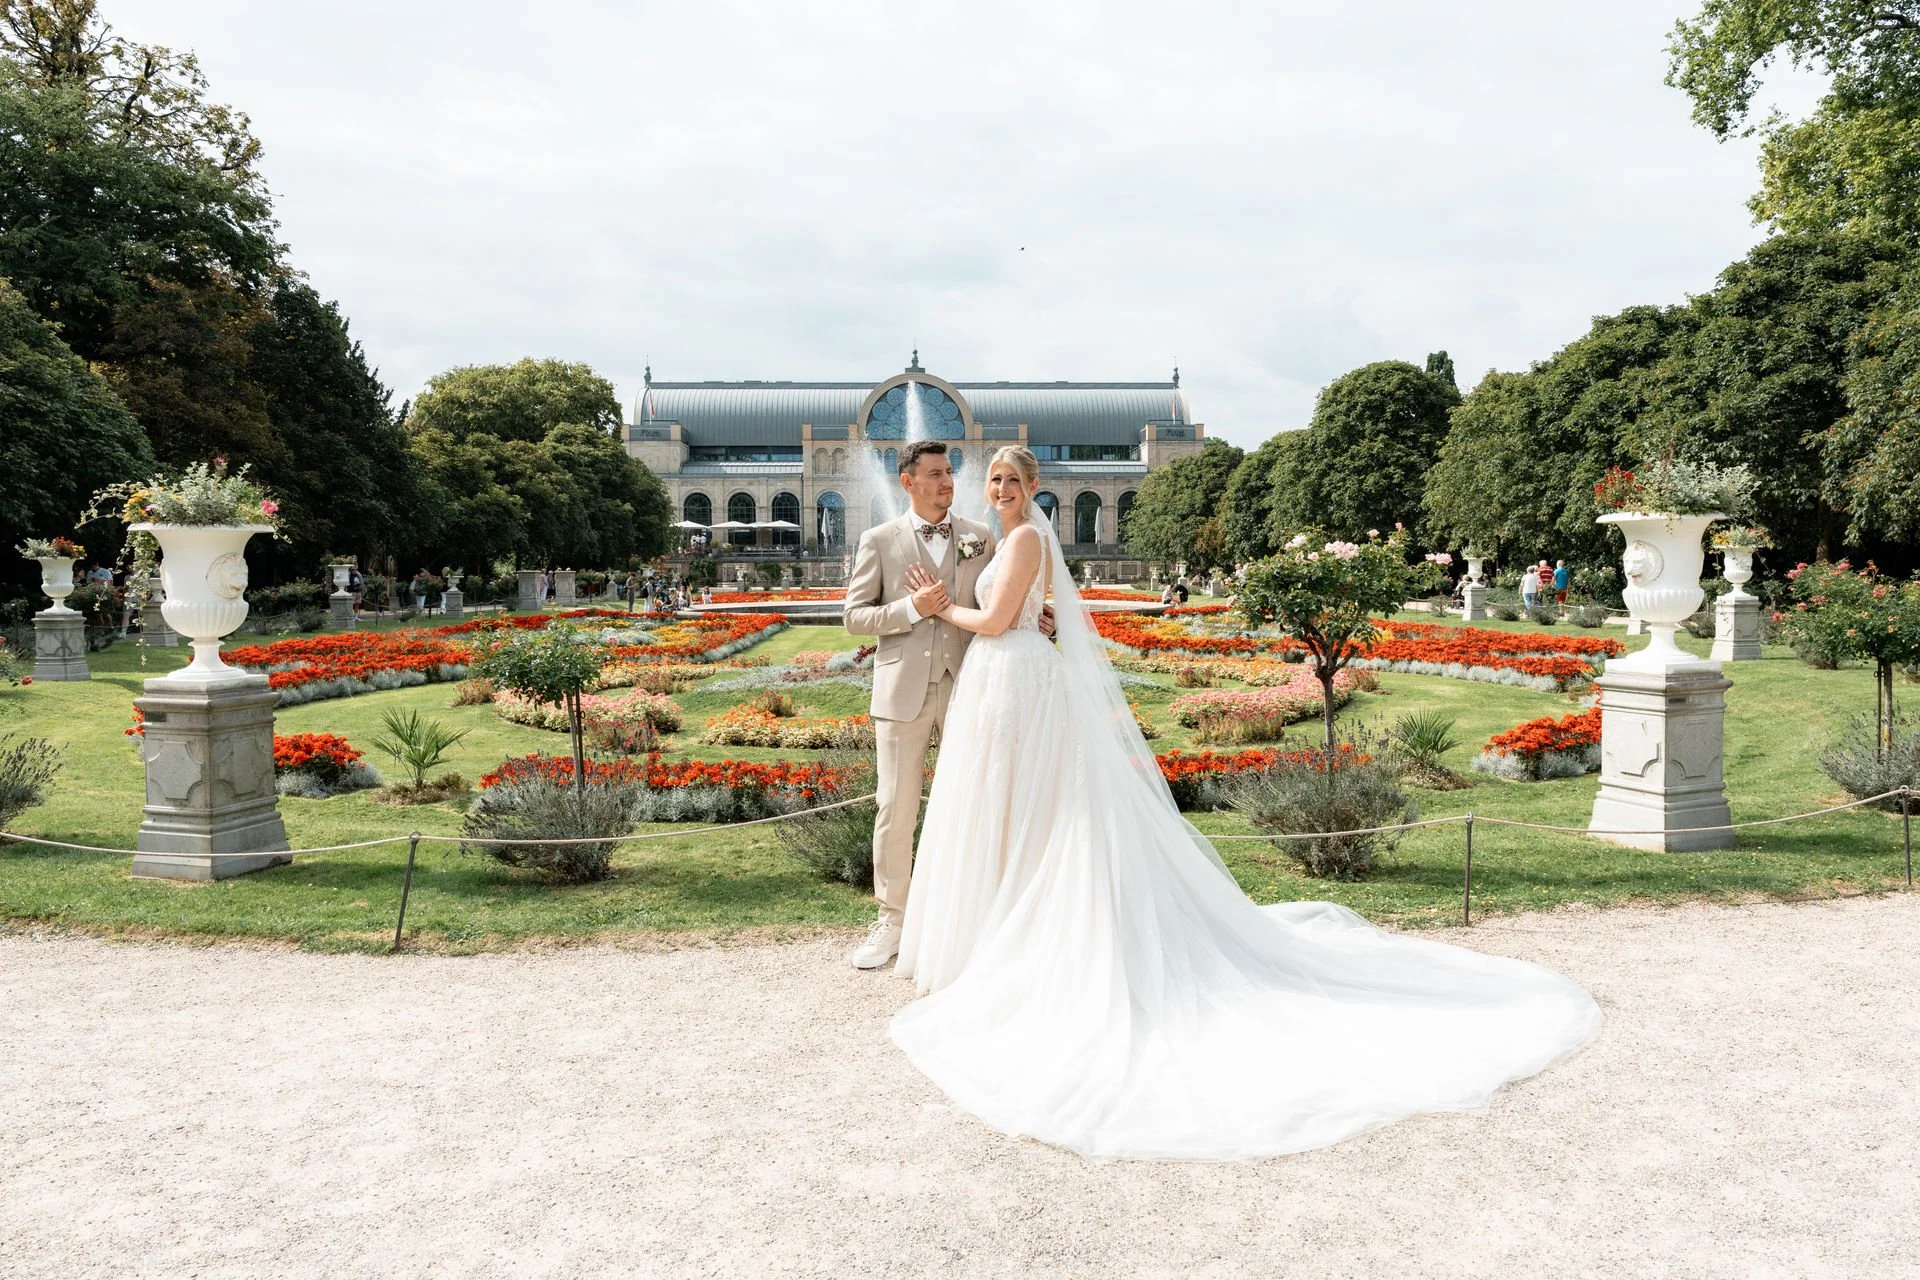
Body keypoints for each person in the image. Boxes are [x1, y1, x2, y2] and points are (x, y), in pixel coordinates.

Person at [881, 445, 1600, 1161]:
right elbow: (1026, 613)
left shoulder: (1024, 539)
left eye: (1011, 479)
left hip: (1010, 677)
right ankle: (999, 931)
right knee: (1017, 810)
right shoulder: (1006, 538)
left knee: (1029, 810)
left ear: (1034, 486)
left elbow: (997, 620)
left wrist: (942, 607)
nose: (999, 488)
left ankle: (1016, 941)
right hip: (1003, 680)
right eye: (993, 479)